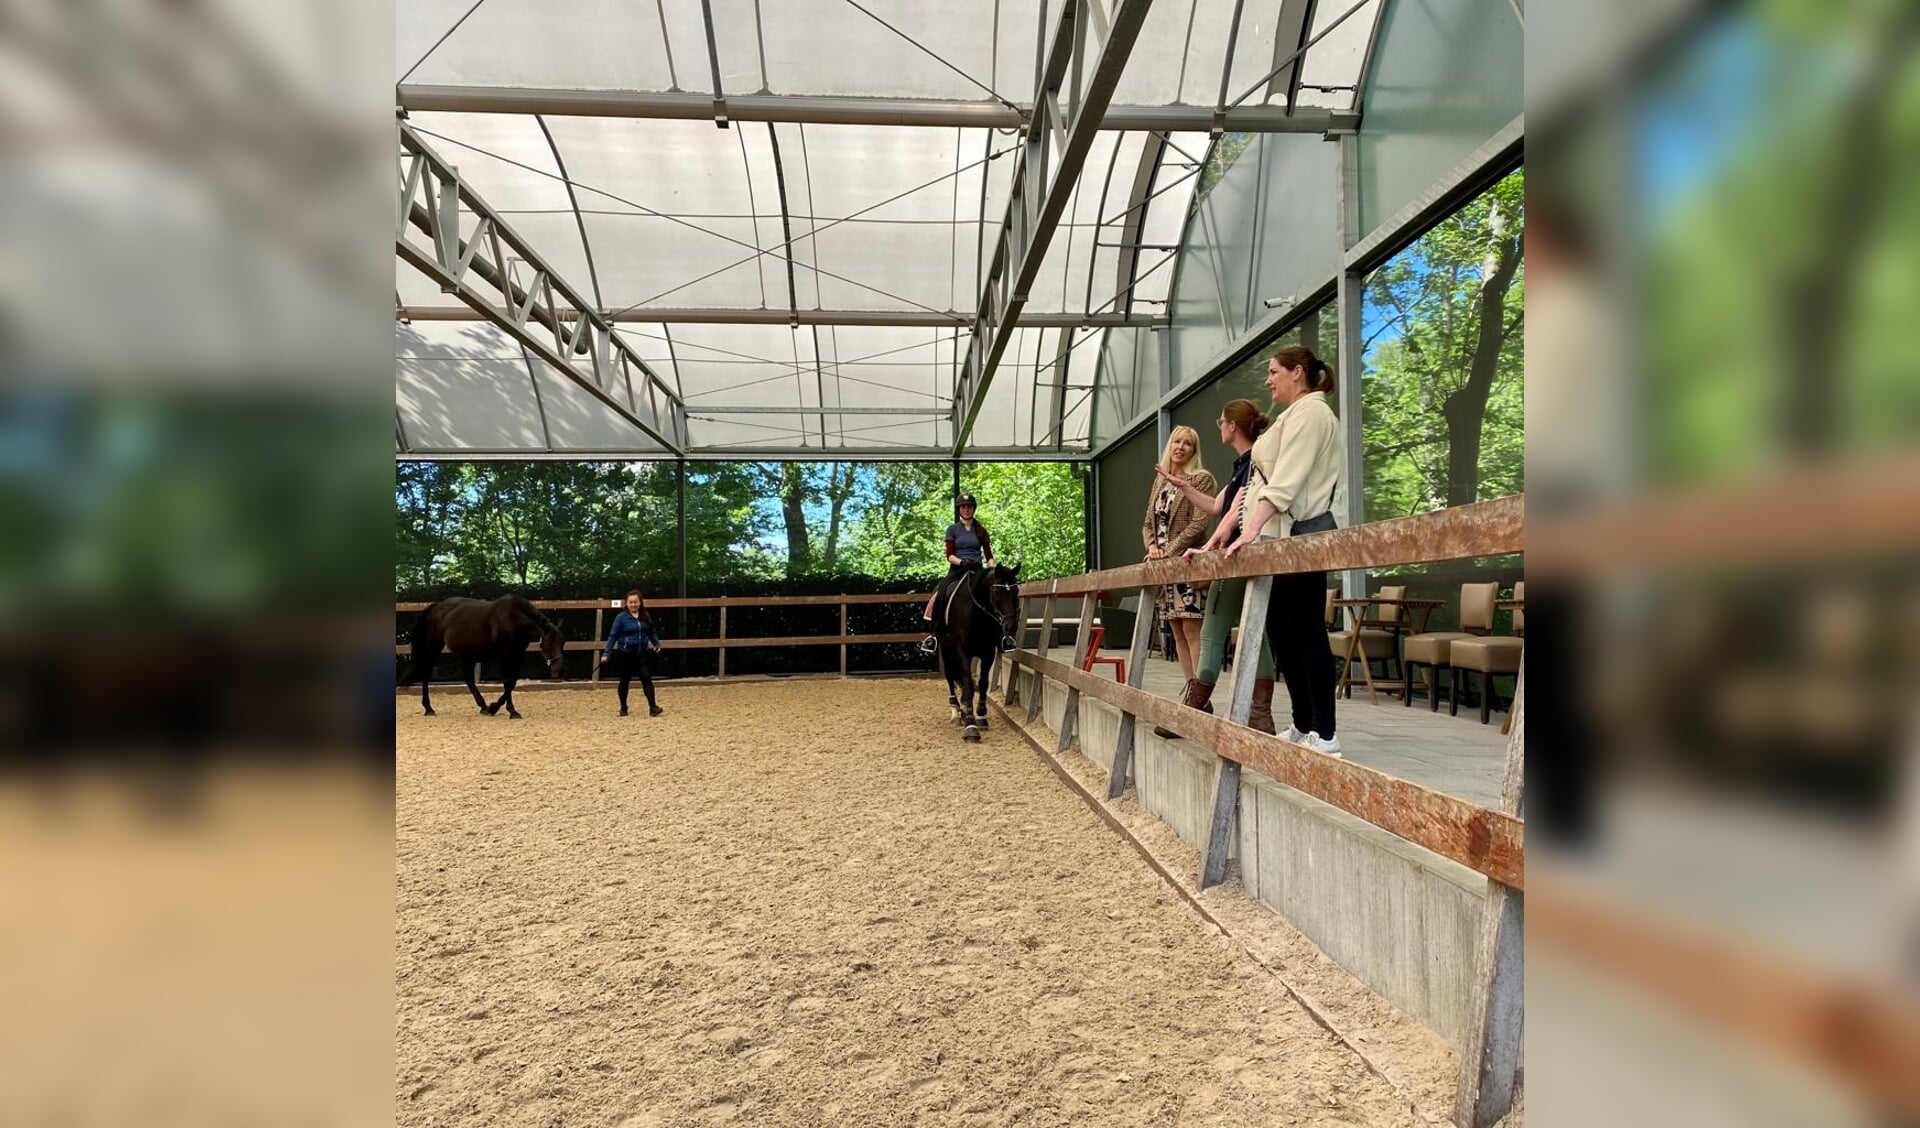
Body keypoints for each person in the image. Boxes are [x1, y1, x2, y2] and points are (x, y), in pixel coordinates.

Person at [1222, 345, 1347, 757]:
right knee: (1282, 632)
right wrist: (1243, 531)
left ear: (1297, 372)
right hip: (1277, 541)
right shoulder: (1290, 416)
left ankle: (1325, 732)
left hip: (1302, 536)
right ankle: (1303, 722)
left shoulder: (1313, 414)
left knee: (1306, 631)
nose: (1268, 380)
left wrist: (1250, 528)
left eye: (1274, 372)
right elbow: (1258, 483)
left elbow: (1286, 481)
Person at [1161, 399, 1279, 734]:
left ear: (1231, 426)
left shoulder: (1254, 462)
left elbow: (1234, 515)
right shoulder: (1246, 462)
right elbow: (1219, 507)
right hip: (1249, 554)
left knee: (1211, 634)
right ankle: (1260, 715)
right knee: (1257, 634)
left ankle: (1192, 714)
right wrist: (1184, 487)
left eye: (1220, 422)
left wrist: (1213, 544)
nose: (1219, 427)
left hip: (1237, 556)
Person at [1142, 425, 1216, 734]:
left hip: (1187, 564)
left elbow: (1199, 524)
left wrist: (1169, 551)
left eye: (1188, 443)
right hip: (1165, 570)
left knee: (1191, 626)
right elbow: (1147, 522)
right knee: (1176, 629)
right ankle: (1191, 692)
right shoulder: (1160, 480)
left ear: (1195, 450)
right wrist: (1152, 548)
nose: (1181, 447)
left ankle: (1200, 695)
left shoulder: (1202, 479)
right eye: (1177, 441)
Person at [920, 494, 1002, 655]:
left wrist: (993, 569)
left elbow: (989, 556)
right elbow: (949, 555)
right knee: (940, 591)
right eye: (963, 507)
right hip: (958, 569)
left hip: (977, 571)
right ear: (959, 510)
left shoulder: (981, 530)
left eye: (969, 506)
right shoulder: (952, 530)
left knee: (996, 594)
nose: (966, 509)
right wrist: (962, 562)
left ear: (973, 509)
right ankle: (934, 636)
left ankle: (1001, 638)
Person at [600, 589, 663, 716]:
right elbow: (613, 636)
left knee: (646, 678)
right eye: (631, 602)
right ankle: (623, 707)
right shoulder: (621, 618)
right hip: (626, 653)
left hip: (642, 653)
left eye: (636, 602)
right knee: (624, 680)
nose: (633, 605)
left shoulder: (645, 615)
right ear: (626, 603)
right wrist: (607, 653)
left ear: (640, 603)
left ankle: (653, 707)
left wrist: (656, 643)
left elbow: (651, 631)